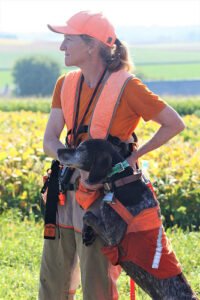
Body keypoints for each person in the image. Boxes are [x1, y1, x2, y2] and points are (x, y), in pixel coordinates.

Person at [39, 10, 185, 300]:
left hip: (103, 202)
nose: (61, 47)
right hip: (64, 196)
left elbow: (174, 123)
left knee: (98, 285)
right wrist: (70, 161)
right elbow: (49, 140)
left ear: (92, 45)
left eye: (68, 39)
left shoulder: (128, 86)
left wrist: (134, 157)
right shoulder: (64, 84)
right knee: (52, 283)